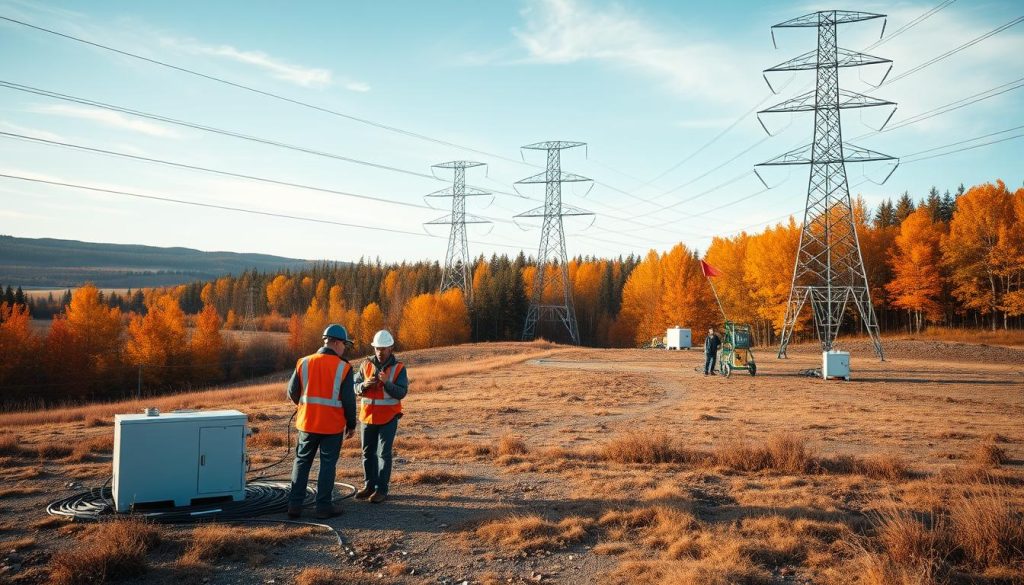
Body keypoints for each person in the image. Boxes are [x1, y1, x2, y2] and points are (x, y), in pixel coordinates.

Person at [286, 324, 357, 519]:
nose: (345, 348)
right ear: (334, 342)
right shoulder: (344, 367)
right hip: (331, 426)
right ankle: (323, 507)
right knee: (327, 465)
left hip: (307, 423)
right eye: (344, 344)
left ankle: (294, 506)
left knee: (301, 462)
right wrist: (351, 424)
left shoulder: (304, 362)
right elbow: (349, 400)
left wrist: (303, 405)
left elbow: (292, 391)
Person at [353, 329, 408, 504]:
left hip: (388, 417)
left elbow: (401, 392)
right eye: (377, 348)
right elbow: (353, 385)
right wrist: (363, 386)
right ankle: (369, 486)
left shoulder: (399, 368)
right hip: (367, 417)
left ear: (390, 348)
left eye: (383, 348)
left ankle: (381, 490)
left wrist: (386, 383)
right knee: (367, 453)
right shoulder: (365, 365)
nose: (380, 351)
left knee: (383, 454)